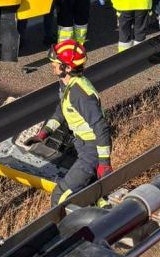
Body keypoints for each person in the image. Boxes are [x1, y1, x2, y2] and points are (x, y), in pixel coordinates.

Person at [24, 40, 112, 207]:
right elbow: (62, 110)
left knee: (59, 196)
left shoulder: (80, 94)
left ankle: (61, 231)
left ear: (68, 68)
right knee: (94, 195)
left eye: (56, 63)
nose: (52, 65)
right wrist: (44, 133)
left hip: (92, 150)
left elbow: (101, 127)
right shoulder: (67, 84)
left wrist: (104, 163)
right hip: (83, 145)